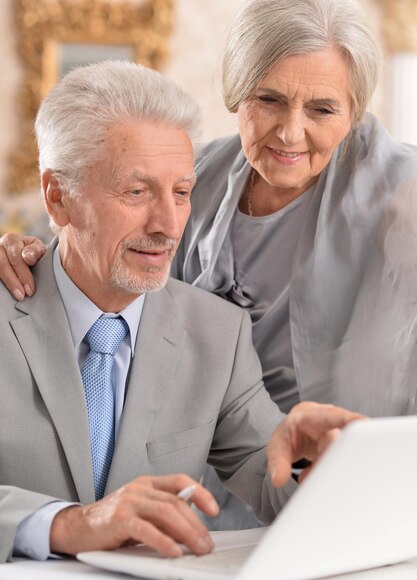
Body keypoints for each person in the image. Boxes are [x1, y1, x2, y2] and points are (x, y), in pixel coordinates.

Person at [2, 0, 413, 530]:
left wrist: (319, 466)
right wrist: (61, 524)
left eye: (180, 193)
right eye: (136, 191)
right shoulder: (204, 169)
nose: (169, 224)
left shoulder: (216, 334)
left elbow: (271, 475)